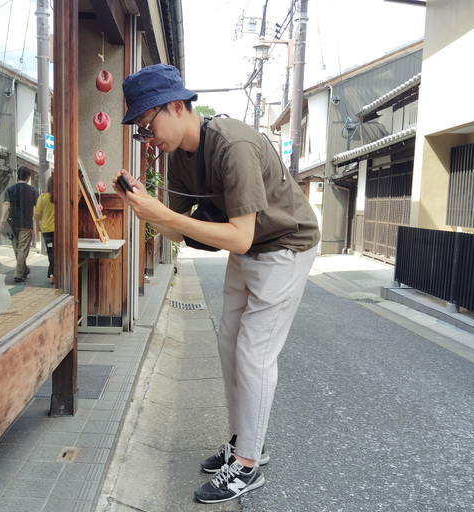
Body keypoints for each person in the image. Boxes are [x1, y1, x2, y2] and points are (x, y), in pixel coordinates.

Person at [114, 64, 321, 504]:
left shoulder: (233, 144)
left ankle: (247, 465)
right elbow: (187, 232)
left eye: (148, 127)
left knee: (254, 351)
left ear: (176, 106)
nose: (149, 141)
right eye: (141, 134)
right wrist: (143, 209)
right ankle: (247, 440)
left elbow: (238, 233)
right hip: (247, 250)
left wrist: (163, 215)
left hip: (286, 245)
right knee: (229, 343)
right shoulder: (178, 161)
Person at [0, 166, 38, 283]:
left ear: (18, 176)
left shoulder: (10, 189)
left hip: (12, 222)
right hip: (26, 223)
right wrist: (36, 221)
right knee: (22, 249)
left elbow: (6, 204)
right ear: (28, 177)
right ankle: (18, 274)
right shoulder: (33, 190)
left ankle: (24, 269)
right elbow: (37, 208)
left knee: (17, 248)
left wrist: (2, 218)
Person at [35, 174, 56, 284]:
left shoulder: (42, 197)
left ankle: (52, 274)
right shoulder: (60, 197)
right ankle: (53, 274)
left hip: (47, 231)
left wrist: (37, 225)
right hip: (59, 231)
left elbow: (37, 214)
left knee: (51, 253)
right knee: (59, 253)